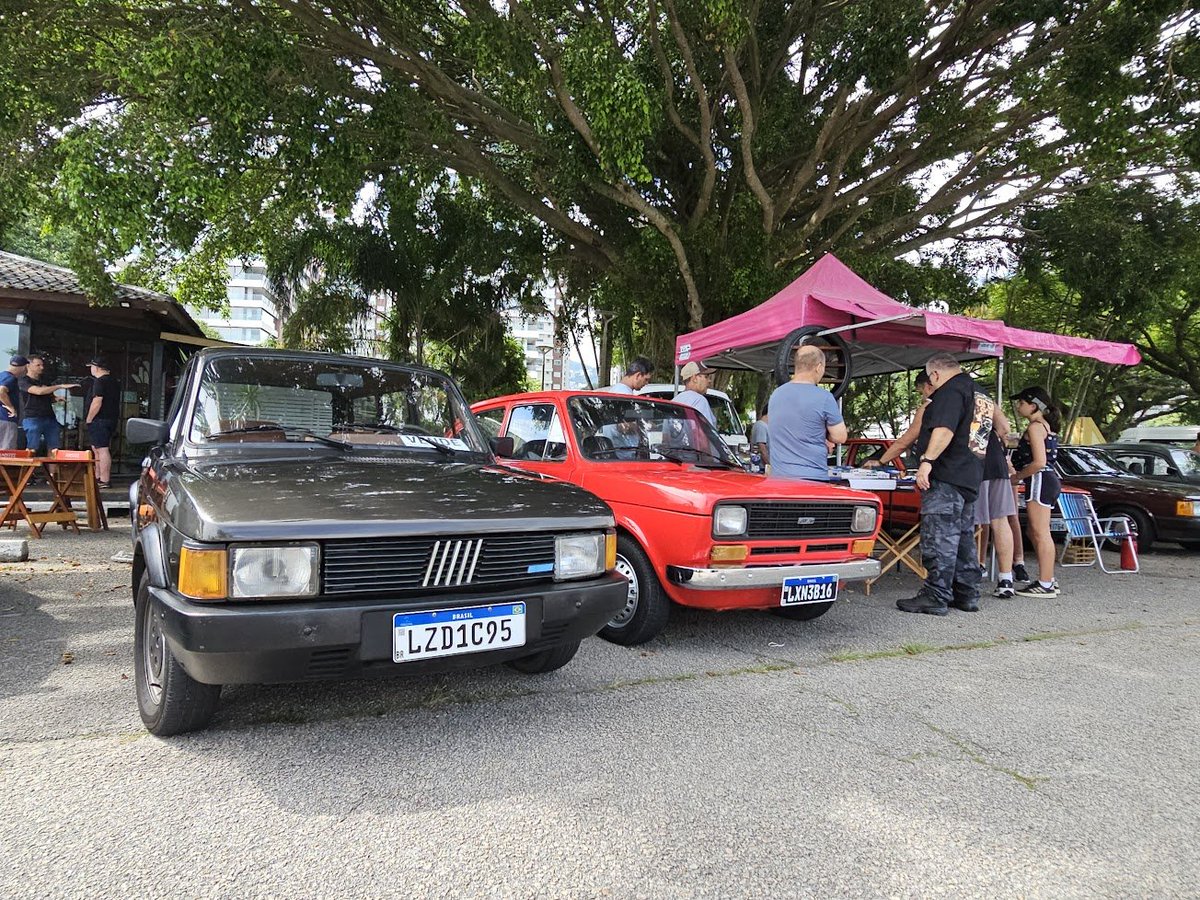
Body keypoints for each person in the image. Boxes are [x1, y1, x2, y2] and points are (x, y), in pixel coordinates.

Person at [897, 353, 990, 616]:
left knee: (939, 537)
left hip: (947, 473)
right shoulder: (981, 394)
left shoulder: (949, 391)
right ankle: (966, 593)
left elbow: (944, 429)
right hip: (971, 473)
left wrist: (927, 460)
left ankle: (936, 595)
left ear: (935, 374)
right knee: (963, 538)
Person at [1009, 386, 1063, 597]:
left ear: (1033, 406)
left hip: (1040, 479)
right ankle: (1048, 578)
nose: (1018, 406)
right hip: (1046, 479)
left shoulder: (1035, 427)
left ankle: (1046, 583)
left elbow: (1039, 462)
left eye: (1021, 403)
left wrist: (1018, 477)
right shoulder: (1046, 426)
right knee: (1034, 531)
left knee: (1040, 532)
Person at [767, 345, 846, 480]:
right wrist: (823, 432)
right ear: (818, 367)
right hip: (812, 477)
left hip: (779, 477)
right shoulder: (824, 397)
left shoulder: (776, 395)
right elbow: (840, 437)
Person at [974, 399, 1018, 597]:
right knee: (1000, 520)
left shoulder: (953, 394)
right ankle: (1006, 579)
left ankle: (969, 573)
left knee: (968, 521)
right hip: (996, 462)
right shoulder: (986, 401)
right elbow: (1005, 430)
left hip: (972, 464)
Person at [863, 371, 933, 469]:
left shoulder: (928, 408)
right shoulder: (952, 402)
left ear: (927, 386)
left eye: (921, 393)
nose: (922, 398)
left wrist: (881, 461)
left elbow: (906, 441)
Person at [19, 354, 79, 455]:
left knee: (54, 448)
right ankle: (29, 465)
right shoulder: (23, 381)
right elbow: (38, 391)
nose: (41, 367)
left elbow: (47, 396)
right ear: (28, 365)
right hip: (32, 417)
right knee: (32, 448)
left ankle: (52, 466)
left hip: (49, 417)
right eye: (38, 365)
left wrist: (56, 399)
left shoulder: (44, 380)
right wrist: (60, 386)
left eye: (42, 365)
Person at [84, 356, 120, 488]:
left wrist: (89, 418)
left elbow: (97, 401)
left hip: (99, 419)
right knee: (97, 448)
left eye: (92, 367)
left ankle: (104, 479)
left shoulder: (99, 381)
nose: (91, 369)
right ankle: (98, 476)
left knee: (102, 449)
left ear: (97, 368)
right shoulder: (114, 382)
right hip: (110, 418)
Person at [672, 361, 717, 425]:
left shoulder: (674, 401)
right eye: (706, 377)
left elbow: (666, 431)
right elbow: (704, 429)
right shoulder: (699, 400)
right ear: (695, 378)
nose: (709, 381)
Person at [0, 355, 28, 450]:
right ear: (23, 367)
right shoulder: (10, 378)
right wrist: (11, 407)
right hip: (6, 419)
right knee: (6, 452)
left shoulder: (1, 375)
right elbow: (1, 391)